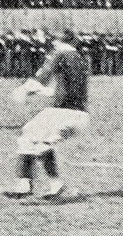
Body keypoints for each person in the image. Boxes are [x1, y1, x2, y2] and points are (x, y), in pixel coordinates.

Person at [5, 29, 90, 199]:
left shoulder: (59, 55)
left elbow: (40, 78)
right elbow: (65, 90)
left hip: (62, 112)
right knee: (42, 145)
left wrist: (24, 89)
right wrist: (41, 92)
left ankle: (24, 185)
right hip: (81, 116)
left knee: (27, 137)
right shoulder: (81, 59)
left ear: (58, 42)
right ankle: (55, 185)